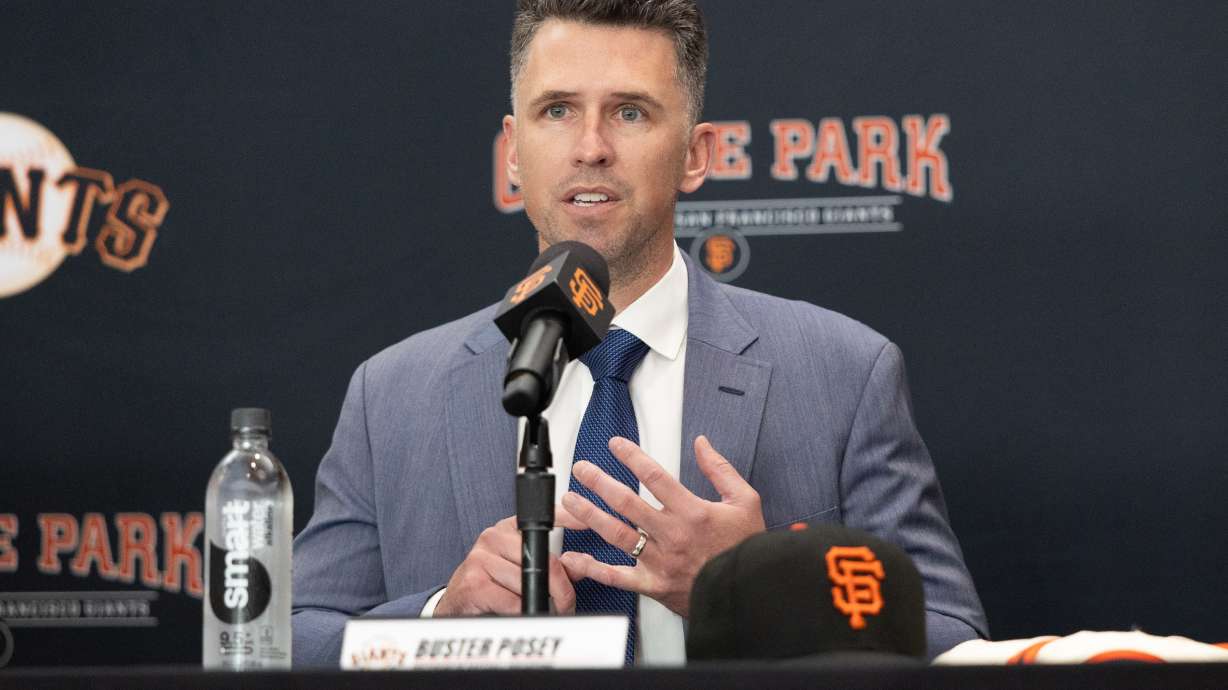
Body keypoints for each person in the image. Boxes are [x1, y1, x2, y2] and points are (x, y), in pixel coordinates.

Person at [292, 0, 988, 667]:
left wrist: (756, 592)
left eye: (630, 112)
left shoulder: (845, 374)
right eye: (557, 110)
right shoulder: (392, 393)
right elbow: (286, 639)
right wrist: (439, 619)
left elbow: (956, 642)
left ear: (696, 153)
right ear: (512, 151)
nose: (590, 148)